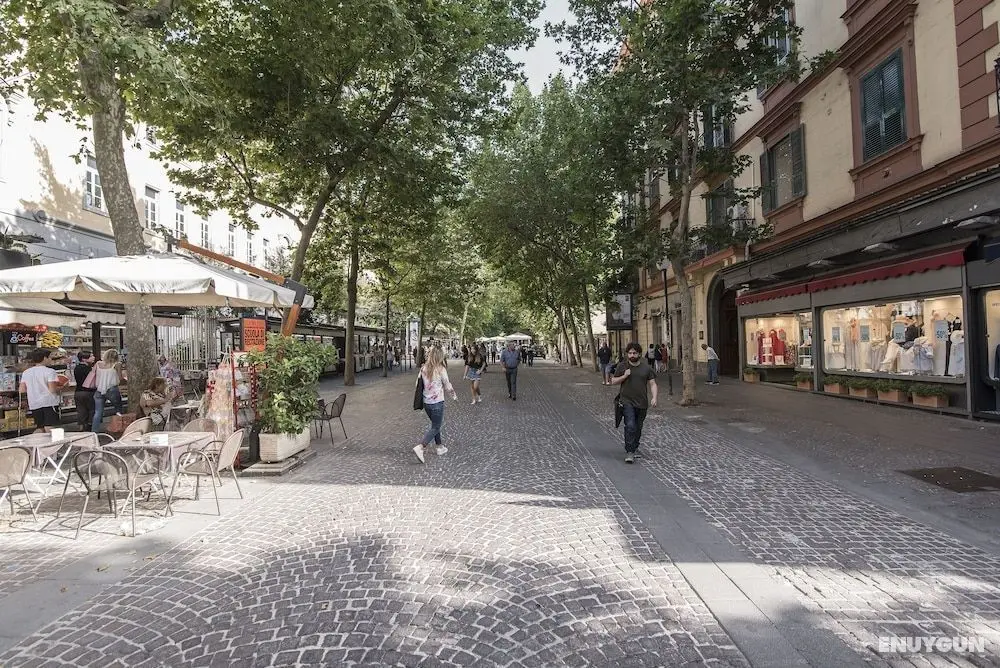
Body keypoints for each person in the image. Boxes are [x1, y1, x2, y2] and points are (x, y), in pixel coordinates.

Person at [611, 342, 658, 464]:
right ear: (627, 354)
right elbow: (613, 381)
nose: (632, 355)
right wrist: (624, 376)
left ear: (639, 354)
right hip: (626, 401)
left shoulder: (646, 368)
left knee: (638, 427)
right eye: (630, 353)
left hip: (642, 403)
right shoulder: (622, 366)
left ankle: (635, 446)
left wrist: (654, 397)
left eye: (635, 353)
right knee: (630, 425)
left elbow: (653, 384)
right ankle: (630, 452)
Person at [414, 345, 457, 463]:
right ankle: (421, 447)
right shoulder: (441, 369)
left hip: (426, 403)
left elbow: (417, 384)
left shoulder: (423, 368)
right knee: (436, 427)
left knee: (435, 425)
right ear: (440, 356)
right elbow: (447, 385)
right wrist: (454, 396)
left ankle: (439, 447)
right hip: (437, 402)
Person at [19, 347, 67, 433]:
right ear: (44, 358)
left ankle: (34, 440)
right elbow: (52, 389)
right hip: (49, 402)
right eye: (50, 357)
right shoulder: (50, 371)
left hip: (34, 403)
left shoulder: (26, 372)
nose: (51, 359)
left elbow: (22, 390)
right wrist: (63, 386)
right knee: (50, 427)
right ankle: (55, 441)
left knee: (40, 427)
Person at [93, 349, 125, 431]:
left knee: (98, 412)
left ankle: (94, 431)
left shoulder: (98, 364)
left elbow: (93, 374)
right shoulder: (117, 364)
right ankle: (119, 428)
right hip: (112, 389)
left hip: (99, 389)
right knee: (118, 409)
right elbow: (120, 378)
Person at [73, 350, 97, 432]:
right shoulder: (88, 369)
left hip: (78, 392)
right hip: (89, 392)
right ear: (84, 359)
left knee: (81, 410)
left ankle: (81, 427)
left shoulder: (76, 368)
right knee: (91, 410)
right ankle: (90, 427)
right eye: (91, 356)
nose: (93, 357)